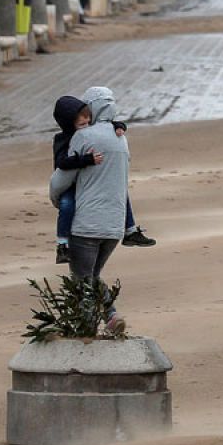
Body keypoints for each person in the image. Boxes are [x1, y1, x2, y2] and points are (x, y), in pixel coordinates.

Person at [49, 87, 139, 330]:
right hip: (114, 227)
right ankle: (111, 317)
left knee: (81, 280)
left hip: (86, 225)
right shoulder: (121, 136)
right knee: (92, 276)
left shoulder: (84, 137)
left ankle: (87, 327)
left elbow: (62, 179)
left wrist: (57, 199)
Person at [49, 95, 155, 264]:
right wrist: (87, 160)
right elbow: (62, 164)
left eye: (88, 122)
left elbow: (107, 124)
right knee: (67, 205)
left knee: (121, 193)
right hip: (71, 183)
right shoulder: (63, 139)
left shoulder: (88, 132)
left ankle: (131, 231)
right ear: (69, 124)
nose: (87, 127)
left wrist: (119, 126)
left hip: (87, 185)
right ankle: (62, 245)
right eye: (82, 125)